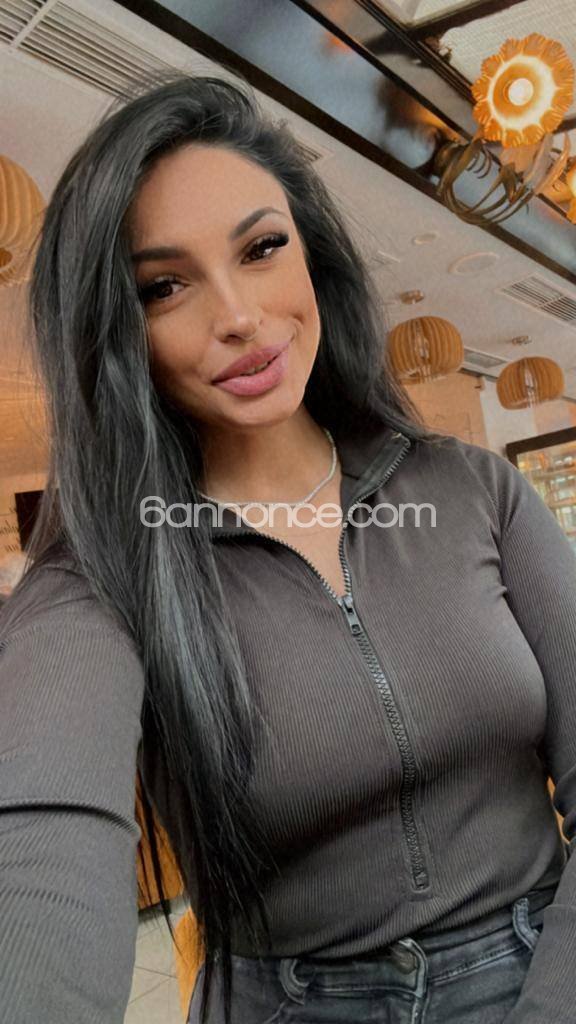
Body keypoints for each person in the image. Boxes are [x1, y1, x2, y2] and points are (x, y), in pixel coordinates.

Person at [0, 72, 575, 1024]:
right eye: (164, 286)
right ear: (119, 334)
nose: (237, 315)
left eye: (262, 248)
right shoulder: (102, 579)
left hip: (537, 966)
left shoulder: (474, 490)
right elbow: (36, 844)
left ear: (312, 256)